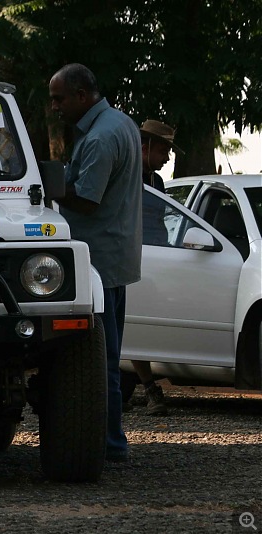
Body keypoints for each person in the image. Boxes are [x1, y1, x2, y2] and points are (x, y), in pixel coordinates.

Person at [49, 63, 143, 463]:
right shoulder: (119, 123)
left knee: (99, 361)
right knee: (106, 356)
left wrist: (50, 185)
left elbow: (88, 198)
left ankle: (109, 443)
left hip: (99, 258)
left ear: (82, 96)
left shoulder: (102, 137)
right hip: (113, 255)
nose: (54, 107)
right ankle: (109, 439)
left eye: (59, 99)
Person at [129, 119, 185, 416]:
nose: (167, 158)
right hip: (132, 257)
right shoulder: (127, 176)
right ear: (145, 147)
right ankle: (150, 388)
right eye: (164, 150)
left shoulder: (157, 182)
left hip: (156, 257)